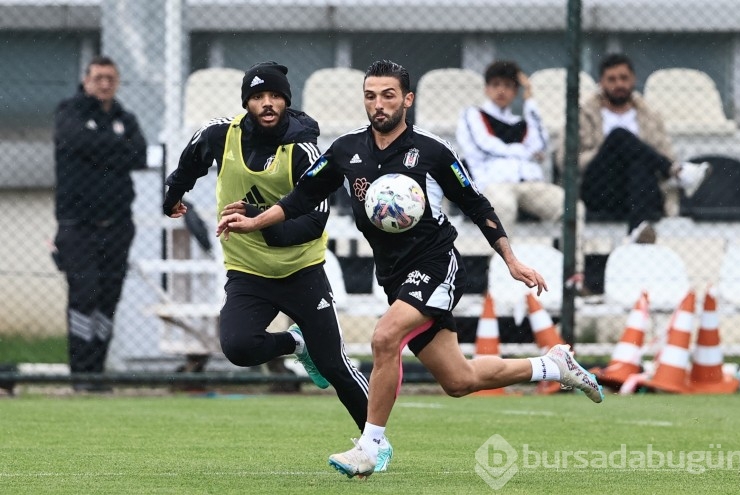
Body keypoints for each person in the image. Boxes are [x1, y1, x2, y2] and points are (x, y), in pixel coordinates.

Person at [216, 59, 604, 478]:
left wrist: (510, 259)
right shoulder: (347, 150)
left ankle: (371, 446)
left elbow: (477, 205)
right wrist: (256, 221)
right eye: (370, 96)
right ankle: (553, 366)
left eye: (388, 95)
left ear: (407, 99)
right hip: (395, 278)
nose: (378, 105)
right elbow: (301, 198)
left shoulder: (434, 151)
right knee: (458, 380)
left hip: (436, 265)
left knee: (385, 337)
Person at [162, 62, 392, 471]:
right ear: (246, 102)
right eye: (257, 97)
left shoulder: (303, 149)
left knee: (335, 366)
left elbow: (315, 221)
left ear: (287, 100)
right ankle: (294, 344)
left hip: (301, 271)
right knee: (237, 347)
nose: (266, 104)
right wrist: (174, 194)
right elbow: (191, 159)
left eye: (275, 96)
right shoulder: (222, 134)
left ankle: (375, 443)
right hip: (248, 273)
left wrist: (260, 221)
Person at [53, 56, 147, 391]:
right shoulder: (69, 111)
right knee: (84, 293)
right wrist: (115, 149)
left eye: (110, 78)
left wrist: (100, 150)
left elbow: (139, 153)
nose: (104, 84)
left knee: (108, 297)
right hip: (77, 224)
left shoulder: (124, 117)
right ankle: (81, 373)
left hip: (118, 224)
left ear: (117, 81)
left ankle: (97, 372)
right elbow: (76, 140)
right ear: (86, 80)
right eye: (98, 77)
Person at [455, 59, 585, 272]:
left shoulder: (522, 122)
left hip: (530, 184)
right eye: (496, 85)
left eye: (508, 86)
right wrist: (524, 153)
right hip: (494, 184)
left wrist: (530, 97)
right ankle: (501, 278)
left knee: (573, 207)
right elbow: (485, 145)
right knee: (503, 207)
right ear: (487, 88)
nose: (501, 91)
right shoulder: (472, 115)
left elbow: (542, 144)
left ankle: (573, 276)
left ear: (515, 91)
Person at [574, 53, 711, 243]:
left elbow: (665, 152)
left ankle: (636, 232)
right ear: (601, 83)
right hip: (600, 189)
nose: (619, 84)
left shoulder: (650, 115)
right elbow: (568, 160)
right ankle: (679, 172)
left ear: (633, 80)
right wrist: (611, 150)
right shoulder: (583, 114)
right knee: (619, 136)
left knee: (639, 162)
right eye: (611, 79)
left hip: (640, 191)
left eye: (624, 78)